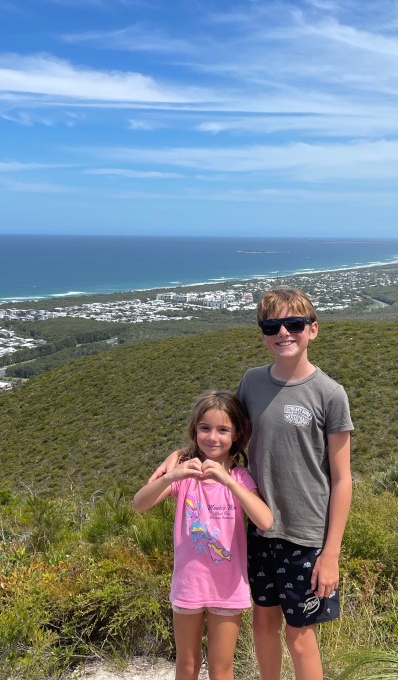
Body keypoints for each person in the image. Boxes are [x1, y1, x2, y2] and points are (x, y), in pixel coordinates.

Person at [151, 287, 353, 680]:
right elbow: (223, 434)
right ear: (262, 333)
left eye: (294, 324)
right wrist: (180, 455)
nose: (284, 332)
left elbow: (342, 479)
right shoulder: (252, 382)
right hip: (259, 531)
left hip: (306, 534)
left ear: (313, 329)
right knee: (263, 625)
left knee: (300, 635)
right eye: (272, 325)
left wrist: (331, 553)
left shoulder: (330, 394)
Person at [134, 390, 273, 680]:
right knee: (186, 665)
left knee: (221, 669)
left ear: (236, 434)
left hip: (228, 588)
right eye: (205, 428)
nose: (213, 437)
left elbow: (265, 520)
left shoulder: (240, 477)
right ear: (195, 430)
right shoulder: (184, 476)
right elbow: (140, 504)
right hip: (189, 585)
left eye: (223, 430)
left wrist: (228, 481)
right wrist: (173, 475)